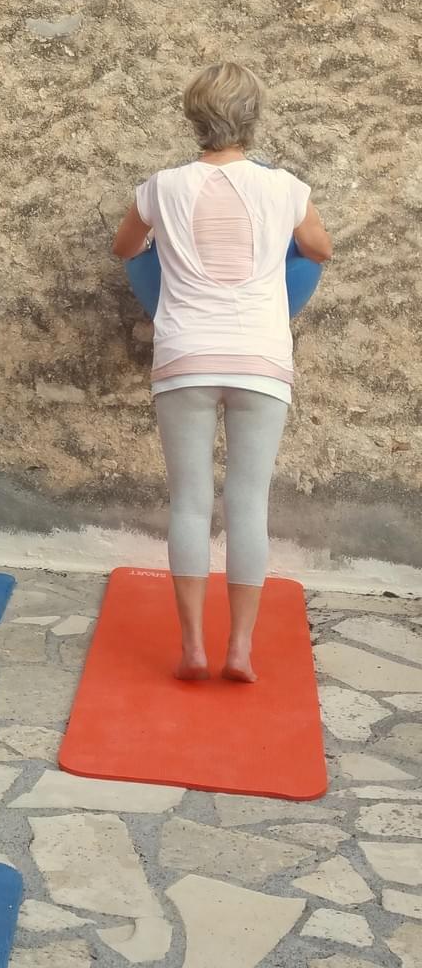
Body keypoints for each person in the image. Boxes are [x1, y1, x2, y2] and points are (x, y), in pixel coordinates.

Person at [112, 62, 332, 682]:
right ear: (252, 119)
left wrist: (167, 245)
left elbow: (124, 249)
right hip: (261, 356)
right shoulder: (287, 187)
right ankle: (239, 648)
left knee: (189, 503)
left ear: (193, 118)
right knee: (248, 502)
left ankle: (192, 648)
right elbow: (321, 248)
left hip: (185, 354)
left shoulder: (161, 185)